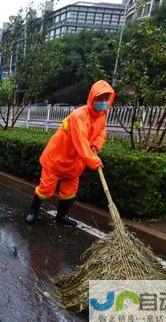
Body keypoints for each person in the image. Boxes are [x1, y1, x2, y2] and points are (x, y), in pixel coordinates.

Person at [25, 80, 116, 226]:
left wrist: (96, 146)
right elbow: (80, 142)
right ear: (92, 97)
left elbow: (101, 133)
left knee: (70, 191)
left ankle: (62, 216)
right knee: (45, 189)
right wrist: (93, 160)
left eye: (106, 99)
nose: (103, 102)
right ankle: (33, 212)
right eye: (100, 98)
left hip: (75, 162)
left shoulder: (102, 116)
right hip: (57, 158)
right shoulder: (78, 116)